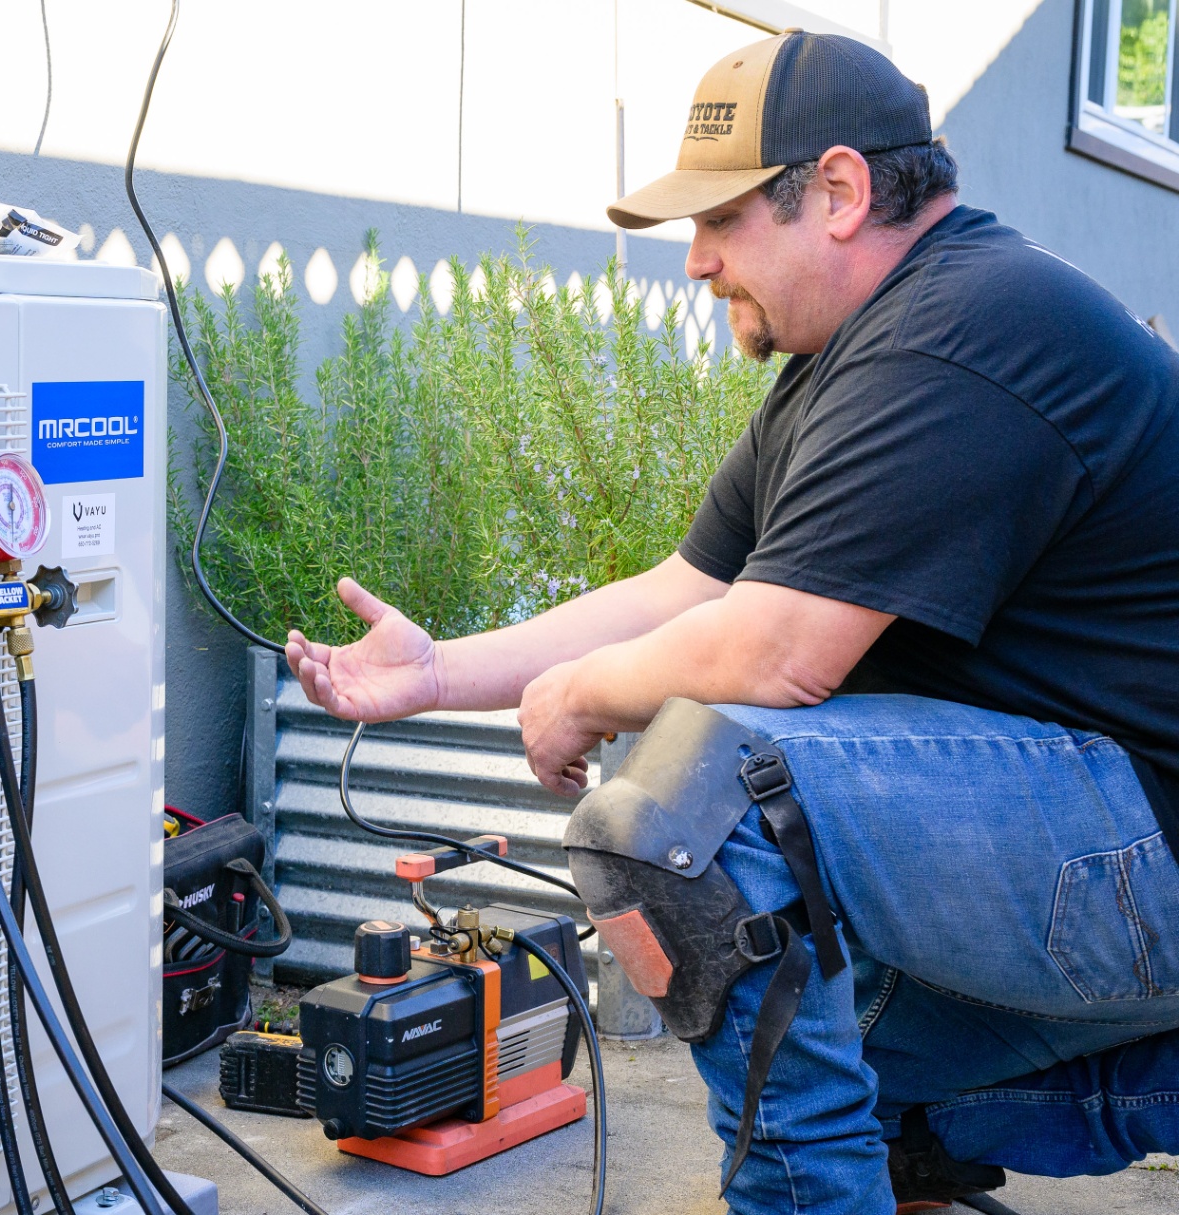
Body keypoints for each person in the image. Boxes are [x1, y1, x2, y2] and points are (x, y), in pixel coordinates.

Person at [284, 29, 1179, 1215]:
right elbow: (688, 591)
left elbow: (776, 655)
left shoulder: (970, 329)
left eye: (721, 222)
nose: (697, 263)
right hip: (1086, 857)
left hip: (1140, 854)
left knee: (687, 809)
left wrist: (582, 693)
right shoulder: (855, 355)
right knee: (805, 1030)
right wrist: (438, 672)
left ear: (842, 192)